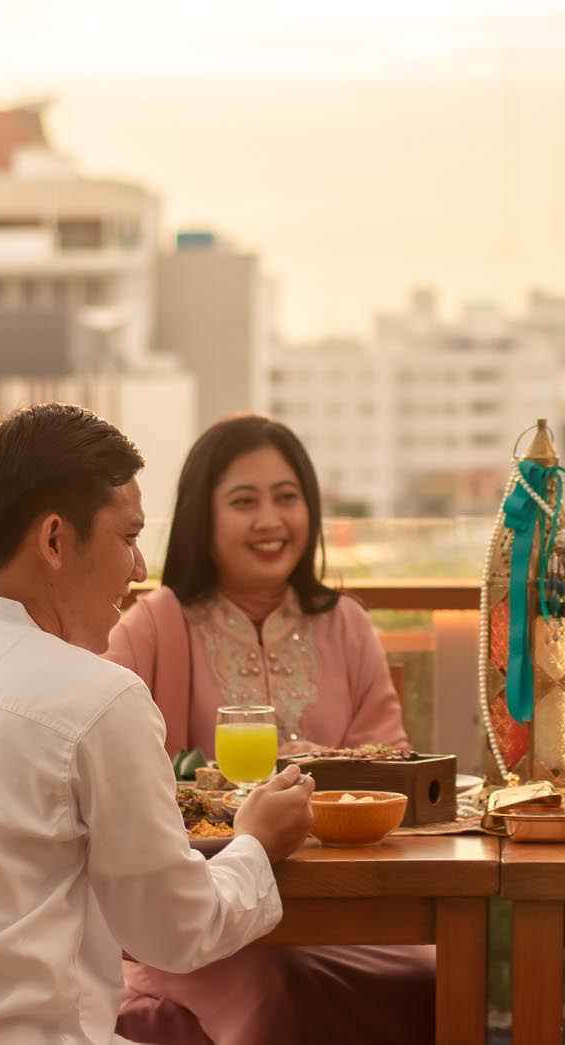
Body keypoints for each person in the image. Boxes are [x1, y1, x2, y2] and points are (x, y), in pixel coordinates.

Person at [0, 402, 315, 1045]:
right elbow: (176, 930)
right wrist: (256, 844)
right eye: (127, 538)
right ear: (53, 540)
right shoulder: (97, 701)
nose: (138, 570)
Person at [106, 413, 432, 1045]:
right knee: (275, 979)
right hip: (201, 918)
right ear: (204, 516)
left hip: (345, 910)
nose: (269, 521)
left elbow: (385, 773)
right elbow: (108, 776)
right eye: (243, 501)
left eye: (287, 498)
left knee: (427, 977)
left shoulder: (348, 626)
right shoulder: (153, 625)